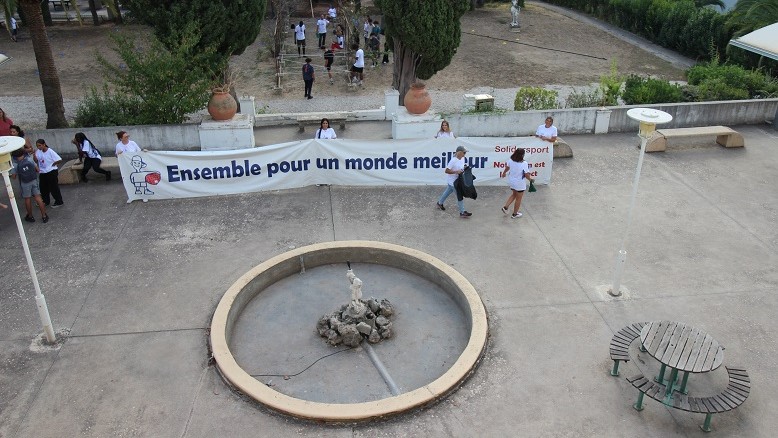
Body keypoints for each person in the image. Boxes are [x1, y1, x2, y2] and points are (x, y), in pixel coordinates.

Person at [10, 147, 48, 223]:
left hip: (24, 183)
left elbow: (13, 177)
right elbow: (37, 169)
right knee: (38, 198)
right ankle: (44, 216)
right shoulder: (29, 159)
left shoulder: (15, 164)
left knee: (27, 199)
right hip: (33, 180)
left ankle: (30, 216)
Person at [436, 145, 472, 218]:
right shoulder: (453, 160)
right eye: (464, 153)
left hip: (456, 181)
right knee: (459, 196)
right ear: (459, 152)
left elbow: (461, 167)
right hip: (453, 182)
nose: (465, 154)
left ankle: (439, 203)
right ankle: (462, 212)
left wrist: (465, 167)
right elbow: (446, 170)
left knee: (447, 192)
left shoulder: (462, 158)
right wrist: (456, 172)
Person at [500, 147, 531, 219]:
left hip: (512, 181)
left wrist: (504, 173)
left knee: (514, 195)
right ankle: (515, 214)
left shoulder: (510, 161)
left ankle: (506, 207)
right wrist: (531, 180)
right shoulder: (524, 163)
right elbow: (526, 175)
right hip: (520, 183)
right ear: (522, 155)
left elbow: (507, 168)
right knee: (518, 199)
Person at [34, 139, 64, 208]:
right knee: (43, 187)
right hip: (43, 172)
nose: (39, 147)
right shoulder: (38, 151)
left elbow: (59, 159)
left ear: (44, 144)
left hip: (51, 171)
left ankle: (59, 201)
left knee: (53, 187)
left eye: (40, 145)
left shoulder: (50, 151)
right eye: (37, 146)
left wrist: (53, 164)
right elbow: (36, 160)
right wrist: (34, 156)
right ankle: (45, 201)